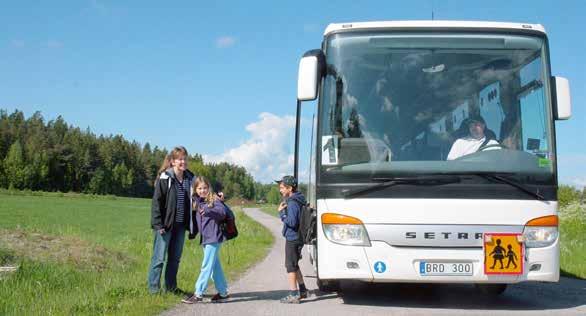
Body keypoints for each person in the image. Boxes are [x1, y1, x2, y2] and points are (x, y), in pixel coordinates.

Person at [148, 146, 197, 294]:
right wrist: (158, 224)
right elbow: (157, 202)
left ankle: (171, 288)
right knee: (159, 259)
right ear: (173, 162)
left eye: (185, 158)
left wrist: (217, 196)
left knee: (175, 259)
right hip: (165, 226)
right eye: (180, 159)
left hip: (181, 226)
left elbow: (203, 192)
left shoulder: (190, 178)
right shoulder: (165, 178)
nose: (183, 161)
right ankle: (154, 290)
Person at [182, 176, 230, 304]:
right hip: (206, 238)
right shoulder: (197, 201)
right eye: (199, 188)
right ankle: (223, 293)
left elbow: (222, 213)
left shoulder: (214, 199)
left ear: (209, 188)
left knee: (206, 266)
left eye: (205, 188)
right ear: (195, 189)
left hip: (214, 237)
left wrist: (208, 210)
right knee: (215, 266)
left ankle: (198, 294)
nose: (202, 190)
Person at [276, 175, 308, 304]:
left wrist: (281, 213)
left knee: (290, 266)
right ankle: (303, 290)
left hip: (293, 237)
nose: (281, 190)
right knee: (294, 264)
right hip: (297, 237)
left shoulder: (293, 202)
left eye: (282, 188)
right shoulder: (297, 199)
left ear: (290, 188)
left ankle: (294, 294)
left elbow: (292, 222)